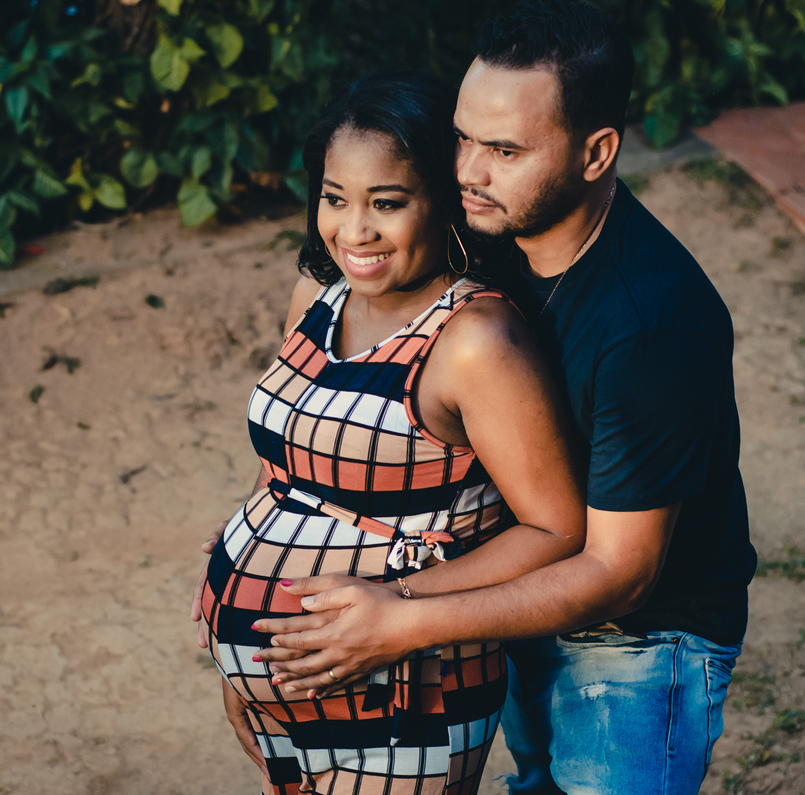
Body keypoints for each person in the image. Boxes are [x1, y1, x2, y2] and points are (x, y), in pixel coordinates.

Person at [231, 3, 757, 794]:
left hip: (637, 644)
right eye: (462, 138)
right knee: (535, 780)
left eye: (504, 149)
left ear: (596, 152)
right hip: (505, 598)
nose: (468, 170)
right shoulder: (483, 229)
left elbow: (621, 572)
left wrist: (402, 616)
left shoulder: (651, 325)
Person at [195, 70, 587, 795]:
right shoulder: (321, 291)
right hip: (294, 683)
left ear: (446, 202)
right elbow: (285, 461)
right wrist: (243, 665)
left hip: (407, 695)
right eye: (335, 199)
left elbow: (556, 529)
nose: (355, 230)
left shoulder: (475, 340)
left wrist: (402, 603)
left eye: (388, 202)